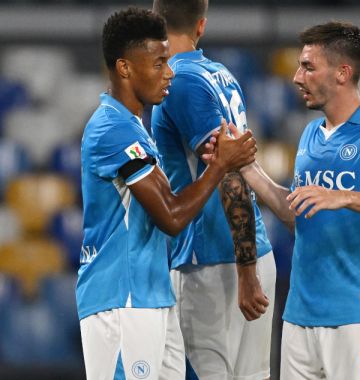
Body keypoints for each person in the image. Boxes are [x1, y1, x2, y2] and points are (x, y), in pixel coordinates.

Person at [230, 21, 360, 379]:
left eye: (308, 67)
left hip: (359, 313)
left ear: (342, 73)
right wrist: (248, 168)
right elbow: (298, 213)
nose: (297, 77)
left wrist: (342, 197)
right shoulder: (309, 134)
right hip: (300, 315)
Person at [77, 7, 256, 380]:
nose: (169, 72)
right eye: (159, 63)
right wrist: (220, 165)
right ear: (125, 68)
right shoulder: (111, 130)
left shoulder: (134, 127)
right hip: (120, 301)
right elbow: (171, 217)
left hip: (153, 295)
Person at [150, 1, 275, 379]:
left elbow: (227, 170)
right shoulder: (221, 74)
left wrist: (245, 271)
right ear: (201, 25)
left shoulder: (179, 82)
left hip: (212, 259)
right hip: (252, 250)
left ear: (154, 21)